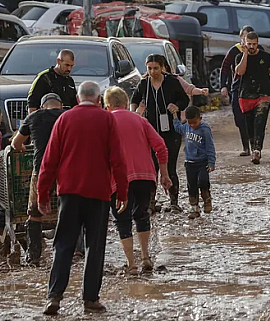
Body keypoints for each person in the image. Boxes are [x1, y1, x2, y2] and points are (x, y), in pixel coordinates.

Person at [37, 82, 127, 316]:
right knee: (94, 247)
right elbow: (118, 159)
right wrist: (123, 192)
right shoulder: (107, 120)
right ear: (99, 100)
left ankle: (54, 297)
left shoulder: (64, 120)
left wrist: (42, 193)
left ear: (78, 99)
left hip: (68, 192)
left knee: (63, 244)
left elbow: (49, 160)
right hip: (98, 194)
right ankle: (90, 299)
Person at [103, 87, 170, 274]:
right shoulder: (141, 120)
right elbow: (161, 147)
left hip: (118, 180)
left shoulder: (106, 122)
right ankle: (146, 257)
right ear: (125, 103)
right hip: (145, 177)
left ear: (108, 106)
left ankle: (131, 264)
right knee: (141, 215)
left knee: (122, 220)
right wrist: (164, 174)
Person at [11, 93, 66, 265]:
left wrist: (22, 148)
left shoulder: (33, 117)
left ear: (42, 107)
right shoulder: (67, 115)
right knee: (70, 209)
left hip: (42, 169)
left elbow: (15, 143)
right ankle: (75, 251)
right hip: (67, 170)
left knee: (34, 213)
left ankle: (33, 256)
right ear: (61, 105)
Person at [131, 54, 189, 211]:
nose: (152, 72)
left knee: (170, 166)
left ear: (162, 68)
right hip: (150, 131)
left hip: (171, 130)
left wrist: (176, 106)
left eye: (156, 68)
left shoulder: (172, 82)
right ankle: (150, 203)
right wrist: (135, 113)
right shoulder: (144, 84)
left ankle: (174, 202)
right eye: (149, 68)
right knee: (151, 167)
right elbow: (134, 99)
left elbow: (185, 99)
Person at [235, 31, 270, 164]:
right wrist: (245, 54)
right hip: (246, 95)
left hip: (264, 95)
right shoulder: (239, 57)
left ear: (258, 43)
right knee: (249, 125)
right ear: (244, 43)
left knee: (259, 123)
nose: (251, 46)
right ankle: (253, 147)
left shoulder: (265, 57)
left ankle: (257, 151)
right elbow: (240, 72)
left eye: (254, 44)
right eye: (249, 44)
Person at [173, 105, 216, 220]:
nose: (192, 125)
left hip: (202, 162)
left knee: (203, 181)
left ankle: (206, 199)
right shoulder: (186, 127)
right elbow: (177, 127)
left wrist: (211, 162)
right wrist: (174, 115)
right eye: (190, 122)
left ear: (200, 119)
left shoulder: (204, 129)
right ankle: (194, 207)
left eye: (194, 122)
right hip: (189, 162)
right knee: (191, 185)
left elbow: (210, 146)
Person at [220, 26, 255, 156]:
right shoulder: (234, 51)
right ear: (241, 37)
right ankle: (246, 147)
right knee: (240, 119)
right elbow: (224, 68)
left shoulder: (258, 51)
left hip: (253, 89)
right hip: (237, 88)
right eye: (245, 38)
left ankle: (255, 146)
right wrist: (223, 85)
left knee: (253, 118)